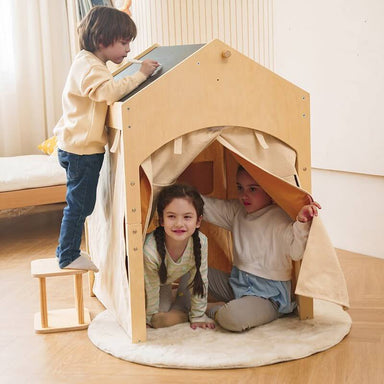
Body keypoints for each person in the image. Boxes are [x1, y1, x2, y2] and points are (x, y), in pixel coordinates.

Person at [54, 6, 159, 271]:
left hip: (75, 146)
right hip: (82, 151)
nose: (127, 50)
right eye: (123, 43)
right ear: (102, 41)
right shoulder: (91, 67)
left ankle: (67, 251)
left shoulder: (88, 62)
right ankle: (67, 255)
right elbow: (108, 93)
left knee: (80, 203)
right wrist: (141, 74)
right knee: (80, 205)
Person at [204, 165, 321, 332]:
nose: (244, 195)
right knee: (192, 272)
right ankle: (214, 305)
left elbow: (296, 253)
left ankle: (213, 309)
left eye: (253, 189)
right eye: (240, 188)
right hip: (236, 284)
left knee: (232, 318)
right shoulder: (237, 212)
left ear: (268, 190)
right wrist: (178, 193)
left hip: (267, 297)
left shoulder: (280, 219)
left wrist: (302, 223)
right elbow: (207, 207)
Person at [144, 184, 215, 330]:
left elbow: (200, 280)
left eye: (187, 217)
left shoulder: (201, 241)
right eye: (171, 216)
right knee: (158, 317)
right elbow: (150, 286)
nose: (179, 223)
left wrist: (198, 315)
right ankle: (184, 310)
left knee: (164, 315)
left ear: (198, 221)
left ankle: (195, 309)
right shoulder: (150, 251)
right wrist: (150, 317)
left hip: (168, 280)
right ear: (161, 220)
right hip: (152, 283)